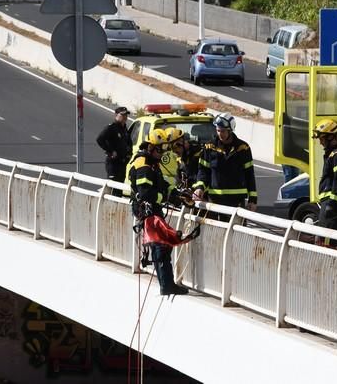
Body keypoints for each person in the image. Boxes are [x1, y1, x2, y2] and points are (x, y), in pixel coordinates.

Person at [129, 128, 198, 296]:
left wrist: (177, 195)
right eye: (159, 150)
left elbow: (161, 185)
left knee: (162, 246)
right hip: (148, 211)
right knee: (161, 246)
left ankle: (167, 283)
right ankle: (167, 285)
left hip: (152, 210)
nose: (162, 154)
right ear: (151, 148)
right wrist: (166, 198)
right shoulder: (144, 166)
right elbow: (147, 194)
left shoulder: (152, 163)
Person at [193, 112, 258, 212]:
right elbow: (203, 171)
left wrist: (252, 199)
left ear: (230, 131)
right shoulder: (209, 147)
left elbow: (249, 175)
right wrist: (200, 188)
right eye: (218, 130)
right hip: (214, 201)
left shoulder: (243, 148)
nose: (220, 134)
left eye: (223, 131)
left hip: (237, 203)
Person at [312, 119, 337, 234]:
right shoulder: (333, 155)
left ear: (330, 137)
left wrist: (332, 204)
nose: (320, 142)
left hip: (332, 205)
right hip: (332, 204)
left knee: (327, 242)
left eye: (322, 138)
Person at [96, 106, 133, 192]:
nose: (125, 117)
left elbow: (129, 143)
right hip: (113, 163)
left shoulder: (124, 128)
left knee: (119, 188)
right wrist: (110, 151)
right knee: (111, 188)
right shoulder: (111, 127)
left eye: (126, 115)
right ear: (116, 115)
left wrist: (129, 154)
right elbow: (99, 139)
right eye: (122, 115)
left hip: (122, 163)